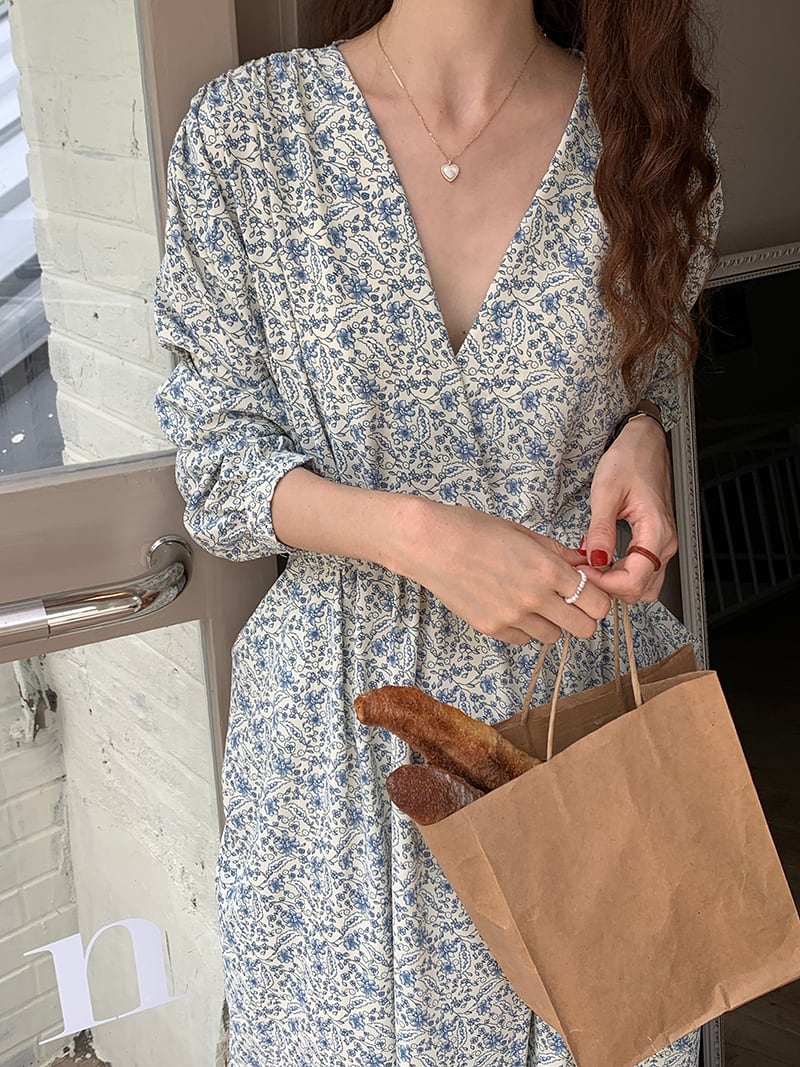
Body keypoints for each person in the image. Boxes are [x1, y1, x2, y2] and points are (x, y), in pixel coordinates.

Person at [153, 0, 723, 1063]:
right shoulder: (247, 134)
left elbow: (646, 382)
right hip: (339, 748)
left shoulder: (649, 145)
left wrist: (645, 435)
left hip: (578, 717)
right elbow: (215, 467)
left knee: (615, 1020)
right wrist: (417, 533)